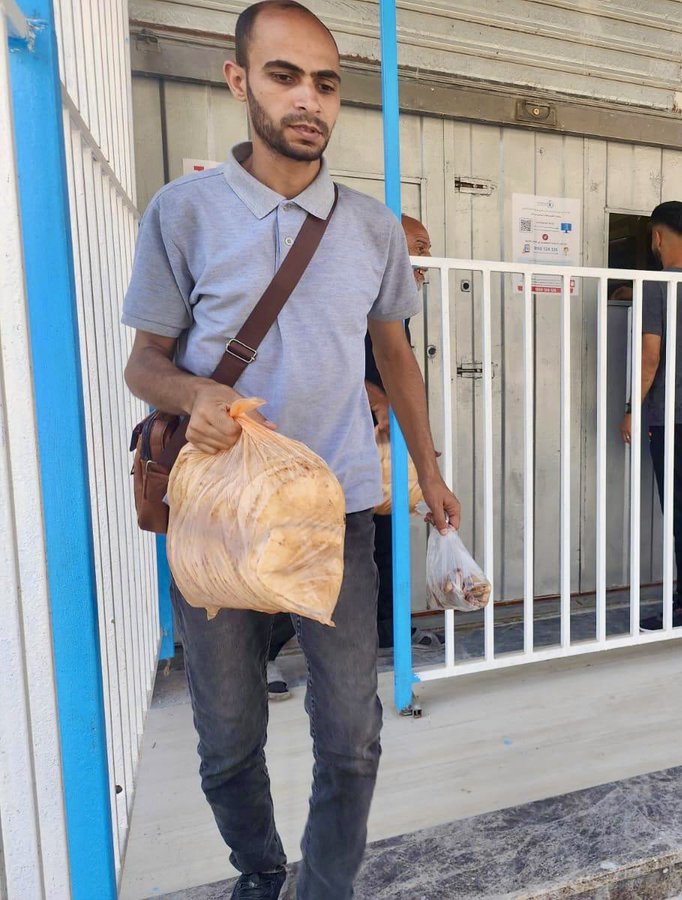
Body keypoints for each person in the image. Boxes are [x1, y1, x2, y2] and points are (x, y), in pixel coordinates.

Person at [121, 3, 461, 898]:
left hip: (339, 511)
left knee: (351, 732)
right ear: (239, 82)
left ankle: (326, 888)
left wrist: (429, 475)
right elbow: (143, 364)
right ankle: (261, 871)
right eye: (284, 75)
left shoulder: (373, 229)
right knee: (228, 735)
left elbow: (395, 356)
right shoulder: (182, 213)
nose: (308, 99)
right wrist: (196, 394)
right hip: (221, 516)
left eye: (325, 81)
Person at [265, 213, 435, 701]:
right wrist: (368, 390)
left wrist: (417, 443)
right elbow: (316, 351)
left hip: (374, 440)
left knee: (380, 536)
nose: (426, 260)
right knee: (311, 545)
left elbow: (396, 367)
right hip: (326, 440)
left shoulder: (397, 303)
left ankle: (383, 630)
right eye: (418, 248)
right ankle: (267, 651)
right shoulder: (346, 288)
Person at [619, 201, 682, 630]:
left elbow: (650, 357)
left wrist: (632, 410)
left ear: (656, 238)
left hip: (673, 416)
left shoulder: (655, 286)